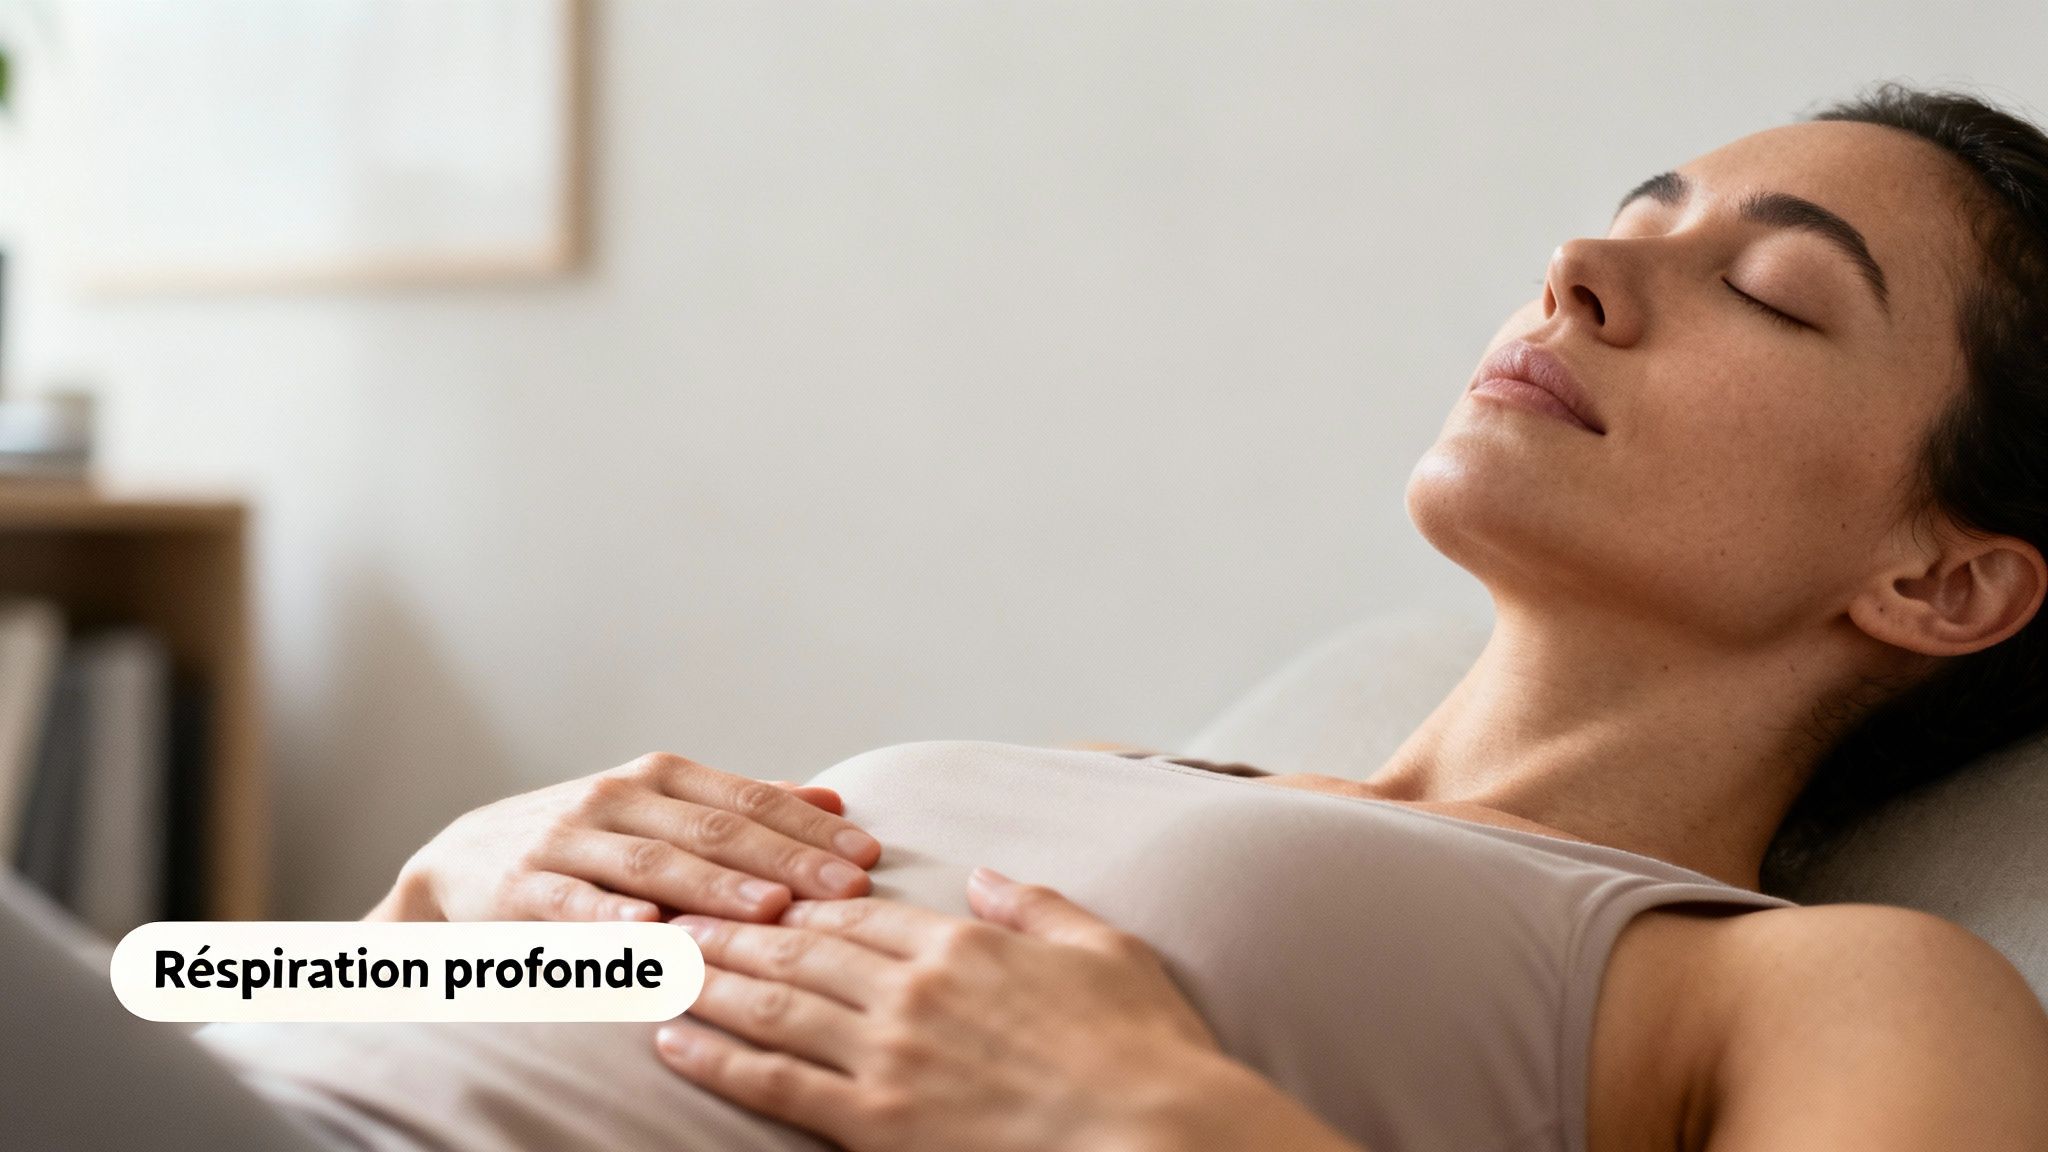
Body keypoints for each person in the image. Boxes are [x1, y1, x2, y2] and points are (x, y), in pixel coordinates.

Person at [8, 82, 2046, 1152]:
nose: (1584, 265)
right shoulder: (1096, 777)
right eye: (1632, 211)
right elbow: (169, 982)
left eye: (1771, 291)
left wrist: (1153, 1123)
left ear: (1940, 576)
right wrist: (444, 905)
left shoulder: (1832, 988)